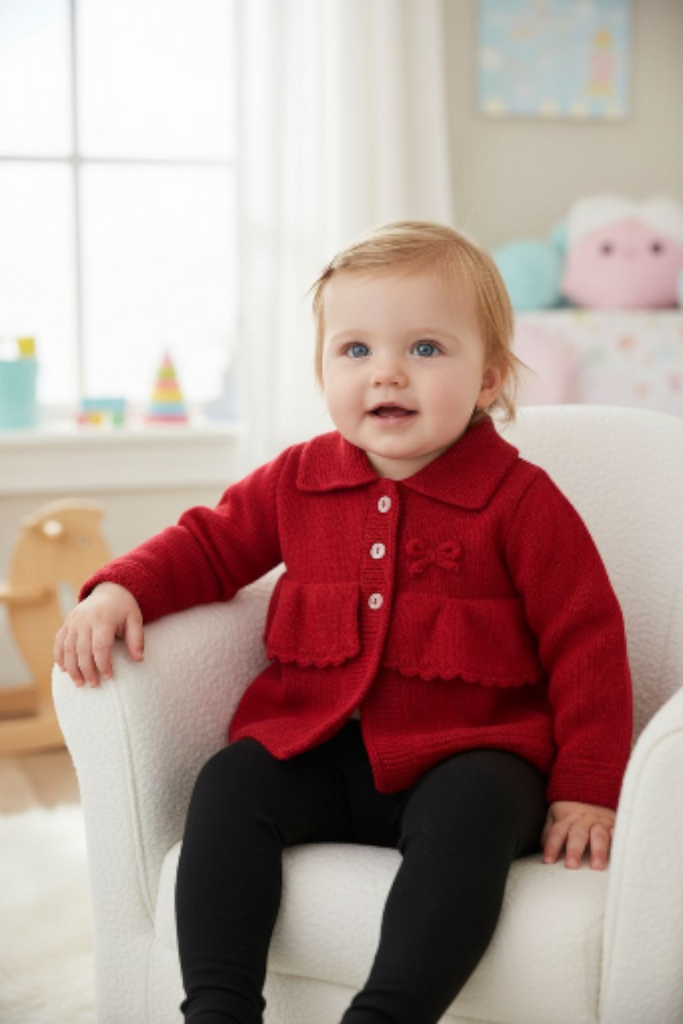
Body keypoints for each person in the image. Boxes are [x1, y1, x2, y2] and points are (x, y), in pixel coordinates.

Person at [54, 221, 633, 1024]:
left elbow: (588, 642)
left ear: (489, 377)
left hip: (472, 752)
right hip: (318, 747)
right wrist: (123, 588)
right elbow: (210, 544)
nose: (386, 372)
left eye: (425, 349)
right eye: (355, 350)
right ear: (323, 367)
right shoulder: (298, 477)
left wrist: (585, 790)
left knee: (473, 817)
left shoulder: (520, 501)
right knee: (229, 786)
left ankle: (386, 1014)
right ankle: (217, 1009)